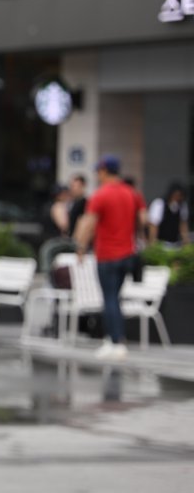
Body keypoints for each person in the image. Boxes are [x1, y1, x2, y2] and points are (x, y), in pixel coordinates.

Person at [75, 155, 147, 361]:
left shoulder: (101, 195)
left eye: (98, 171)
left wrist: (80, 246)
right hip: (128, 254)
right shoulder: (132, 193)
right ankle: (113, 339)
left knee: (109, 299)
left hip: (107, 254)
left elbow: (88, 223)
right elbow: (143, 219)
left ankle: (115, 342)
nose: (97, 175)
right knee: (115, 297)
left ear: (104, 171)